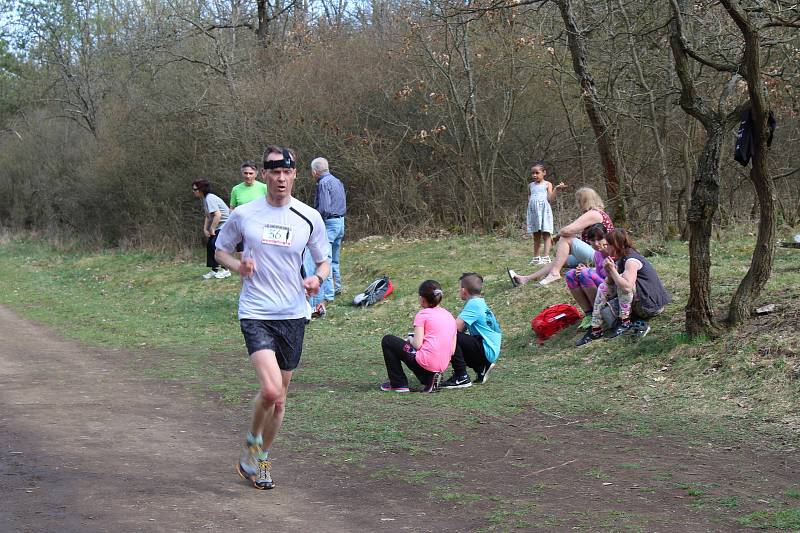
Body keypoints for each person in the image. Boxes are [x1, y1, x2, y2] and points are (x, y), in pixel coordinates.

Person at [214, 145, 331, 490]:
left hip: (294, 314)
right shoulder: (245, 214)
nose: (280, 178)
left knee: (280, 400)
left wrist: (318, 279)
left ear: (295, 174)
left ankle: (260, 459)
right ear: (264, 175)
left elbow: (323, 261)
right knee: (270, 388)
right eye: (274, 172)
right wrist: (239, 266)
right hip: (256, 312)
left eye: (286, 172)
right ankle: (252, 440)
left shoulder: (309, 217)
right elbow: (220, 250)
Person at [576, 228, 671, 346]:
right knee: (603, 287)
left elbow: (627, 287)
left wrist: (613, 272)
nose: (606, 248)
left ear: (616, 245)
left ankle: (624, 322)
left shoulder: (631, 260)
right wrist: (610, 272)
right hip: (639, 301)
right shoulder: (620, 257)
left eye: (608, 245)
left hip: (650, 306)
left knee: (623, 284)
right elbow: (608, 284)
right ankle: (595, 329)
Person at [508, 187, 614, 287]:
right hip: (595, 253)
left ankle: (554, 273)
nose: (577, 204)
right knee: (560, 260)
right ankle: (525, 279)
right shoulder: (599, 213)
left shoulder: (593, 214)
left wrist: (557, 236)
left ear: (584, 200)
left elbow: (566, 231)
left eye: (578, 200)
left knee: (566, 238)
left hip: (601, 256)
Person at [379, 280, 456, 393]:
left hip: (426, 362)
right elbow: (452, 350)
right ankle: (430, 377)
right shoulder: (450, 316)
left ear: (422, 299)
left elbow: (417, 344)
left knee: (388, 340)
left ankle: (398, 383)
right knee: (421, 356)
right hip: (441, 365)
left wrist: (410, 340)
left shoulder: (422, 315)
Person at [440, 273, 502, 389]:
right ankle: (481, 367)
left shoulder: (473, 304)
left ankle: (461, 376)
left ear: (464, 291)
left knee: (450, 335)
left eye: (459, 288)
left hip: (486, 349)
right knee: (456, 336)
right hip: (490, 349)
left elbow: (453, 328)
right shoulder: (479, 303)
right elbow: (461, 329)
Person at [307, 157, 346, 318]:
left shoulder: (322, 183)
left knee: (324, 260)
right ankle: (337, 288)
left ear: (315, 172)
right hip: (340, 222)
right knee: (335, 259)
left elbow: (323, 207)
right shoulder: (336, 180)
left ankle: (327, 296)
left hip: (329, 224)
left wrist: (316, 223)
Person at [564, 223, 609, 329]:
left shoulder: (612, 250)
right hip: (603, 284)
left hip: (613, 286)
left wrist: (588, 271)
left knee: (586, 274)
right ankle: (589, 314)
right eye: (593, 241)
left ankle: (597, 314)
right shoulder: (597, 254)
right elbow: (599, 272)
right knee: (571, 274)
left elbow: (614, 274)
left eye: (600, 239)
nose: (597, 243)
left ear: (606, 237)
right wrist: (584, 269)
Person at [526, 162, 566, 265]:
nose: (534, 175)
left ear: (544, 173)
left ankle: (546, 257)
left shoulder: (547, 184)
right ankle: (536, 257)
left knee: (546, 234)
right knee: (536, 235)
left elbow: (550, 199)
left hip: (544, 212)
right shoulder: (530, 185)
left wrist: (556, 189)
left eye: (537, 173)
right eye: (532, 173)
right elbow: (530, 198)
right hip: (534, 214)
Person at [192, 179, 231, 279]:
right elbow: (208, 216)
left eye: (195, 189)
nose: (193, 191)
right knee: (210, 245)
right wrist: (205, 229)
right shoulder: (205, 199)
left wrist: (212, 229)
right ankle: (215, 270)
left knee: (216, 245)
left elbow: (218, 215)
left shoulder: (210, 198)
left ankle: (226, 270)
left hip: (226, 224)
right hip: (218, 225)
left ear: (201, 189)